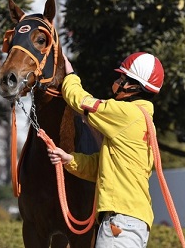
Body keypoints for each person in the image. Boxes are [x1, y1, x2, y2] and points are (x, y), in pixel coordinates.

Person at [48, 52, 164, 248]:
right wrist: (69, 159)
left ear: (134, 86)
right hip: (130, 223)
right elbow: (103, 167)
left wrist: (70, 75)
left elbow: (81, 101)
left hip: (120, 224)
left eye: (122, 78)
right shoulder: (144, 122)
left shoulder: (127, 114)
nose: (117, 82)